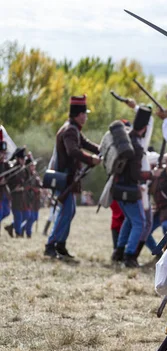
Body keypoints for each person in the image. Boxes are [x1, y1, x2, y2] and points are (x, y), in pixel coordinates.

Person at [44, 95, 101, 259]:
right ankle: (51, 245)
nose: (86, 117)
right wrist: (91, 159)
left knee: (70, 211)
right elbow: (73, 151)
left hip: (67, 178)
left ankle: (60, 245)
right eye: (85, 113)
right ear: (79, 114)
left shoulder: (72, 128)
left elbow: (87, 144)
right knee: (66, 212)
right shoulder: (70, 130)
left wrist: (102, 149)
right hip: (64, 178)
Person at [111, 106, 156, 268]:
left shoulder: (127, 138)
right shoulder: (136, 145)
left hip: (119, 187)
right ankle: (129, 256)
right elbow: (137, 175)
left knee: (130, 221)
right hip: (129, 189)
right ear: (144, 128)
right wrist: (152, 175)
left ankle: (118, 251)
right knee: (140, 223)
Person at [5, 147, 28, 238]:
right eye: (22, 159)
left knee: (24, 216)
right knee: (18, 215)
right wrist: (14, 188)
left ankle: (11, 227)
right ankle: (18, 233)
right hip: (14, 195)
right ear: (18, 158)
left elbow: (26, 181)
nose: (23, 160)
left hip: (22, 195)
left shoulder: (23, 169)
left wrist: (22, 187)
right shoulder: (13, 168)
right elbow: (8, 181)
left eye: (24, 159)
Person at [23, 154, 42, 238]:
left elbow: (39, 184)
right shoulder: (25, 175)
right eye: (31, 166)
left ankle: (24, 229)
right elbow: (25, 186)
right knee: (30, 217)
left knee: (34, 217)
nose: (33, 167)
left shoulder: (35, 175)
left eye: (33, 166)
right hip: (28, 198)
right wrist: (33, 189)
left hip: (35, 199)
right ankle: (27, 232)